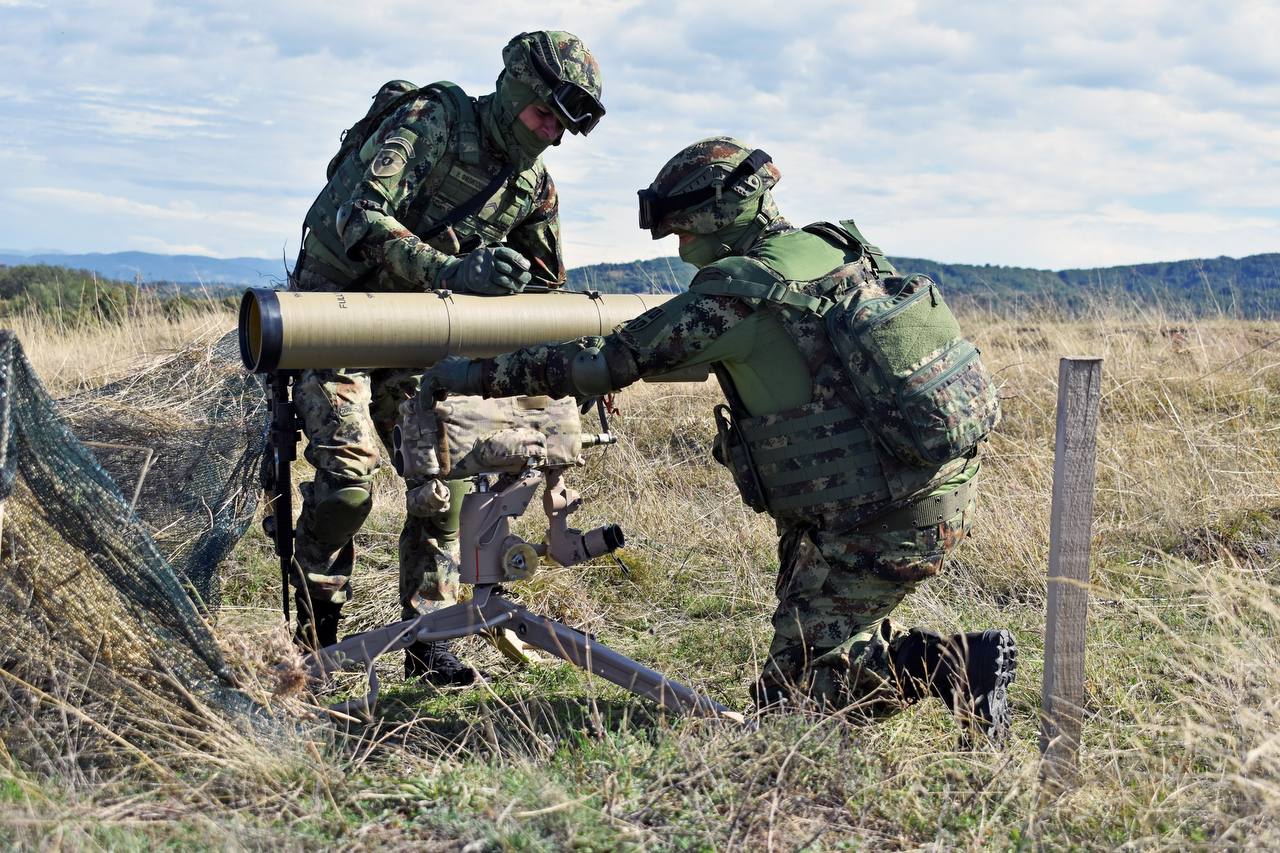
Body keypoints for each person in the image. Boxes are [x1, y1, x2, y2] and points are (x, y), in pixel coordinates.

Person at [420, 137, 1018, 742]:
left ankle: (957, 666)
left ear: (720, 212)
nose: (681, 250)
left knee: (794, 709)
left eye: (684, 231)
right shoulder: (835, 244)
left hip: (873, 513)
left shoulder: (740, 289)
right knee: (818, 639)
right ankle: (939, 666)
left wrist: (472, 375)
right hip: (925, 488)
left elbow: (612, 359)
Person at [288, 30, 604, 686]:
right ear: (517, 88)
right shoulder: (435, 121)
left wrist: (582, 361)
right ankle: (313, 639)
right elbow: (360, 217)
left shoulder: (533, 189)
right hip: (334, 315)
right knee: (347, 485)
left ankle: (428, 636)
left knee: (447, 481)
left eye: (561, 129)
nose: (548, 135)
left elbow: (548, 290)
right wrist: (455, 269)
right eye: (544, 115)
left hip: (419, 333)